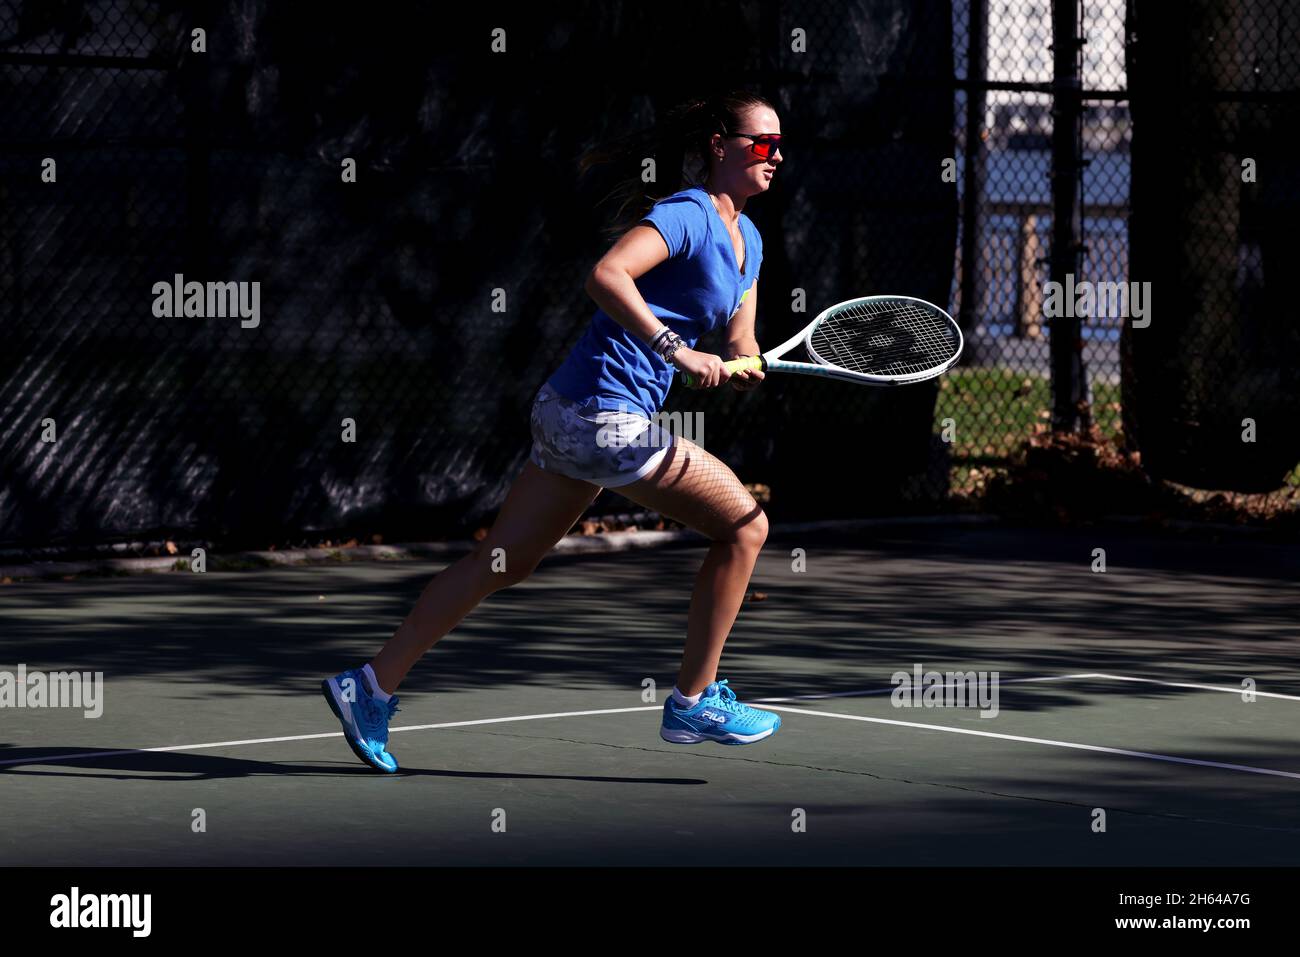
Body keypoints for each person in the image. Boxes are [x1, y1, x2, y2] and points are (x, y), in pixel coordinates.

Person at [321, 90, 786, 772]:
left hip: (573, 414)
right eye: (762, 143)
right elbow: (606, 275)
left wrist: (742, 362)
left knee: (501, 564)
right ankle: (693, 700)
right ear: (721, 146)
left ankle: (369, 685)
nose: (775, 157)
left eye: (782, 147)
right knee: (746, 527)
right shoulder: (687, 214)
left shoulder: (753, 242)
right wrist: (676, 351)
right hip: (603, 415)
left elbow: (740, 333)